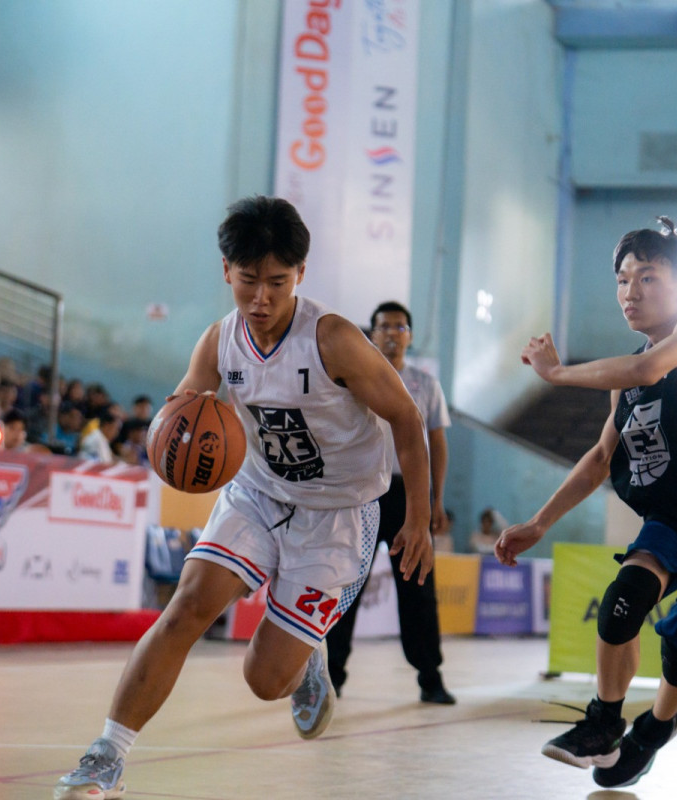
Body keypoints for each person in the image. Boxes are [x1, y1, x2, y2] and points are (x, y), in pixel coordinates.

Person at [54, 196, 433, 800]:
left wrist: (417, 518)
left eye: (277, 283)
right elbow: (184, 412)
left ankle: (306, 660)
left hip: (337, 513)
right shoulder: (219, 342)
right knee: (187, 606)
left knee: (264, 680)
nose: (261, 298)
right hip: (257, 492)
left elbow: (407, 419)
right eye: (248, 280)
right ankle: (106, 756)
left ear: (300, 274)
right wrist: (174, 439)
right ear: (226, 270)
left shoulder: (334, 339)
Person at [494, 218, 677, 789]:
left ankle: (655, 728)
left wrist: (555, 373)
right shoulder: (625, 380)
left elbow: (649, 367)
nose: (631, 291)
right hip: (675, 521)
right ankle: (604, 721)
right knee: (622, 601)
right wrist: (538, 522)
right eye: (623, 280)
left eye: (648, 277)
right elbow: (601, 458)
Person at [325, 300, 455, 705]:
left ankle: (430, 677)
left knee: (418, 585)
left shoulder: (426, 385)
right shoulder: (354, 377)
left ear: (410, 336)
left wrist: (435, 499)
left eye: (400, 327)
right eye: (384, 327)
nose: (392, 334)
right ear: (371, 334)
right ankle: (331, 676)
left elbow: (436, 444)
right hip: (361, 492)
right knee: (346, 584)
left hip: (407, 495)